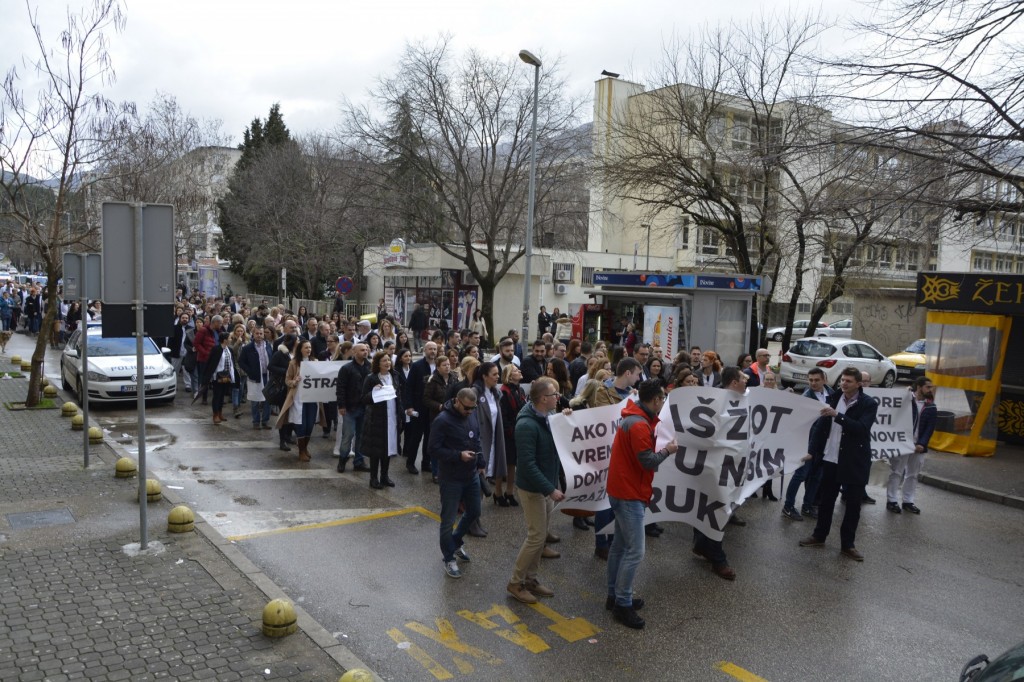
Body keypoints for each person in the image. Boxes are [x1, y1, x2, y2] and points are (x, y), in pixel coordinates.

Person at [605, 379, 677, 629]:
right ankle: (622, 604)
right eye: (663, 398)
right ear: (655, 400)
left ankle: (614, 596)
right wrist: (668, 450)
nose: (664, 402)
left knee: (620, 546)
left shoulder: (634, 419)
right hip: (629, 493)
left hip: (622, 490)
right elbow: (647, 461)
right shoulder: (638, 425)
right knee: (635, 551)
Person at [799, 367, 879, 561]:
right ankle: (819, 535)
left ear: (859, 384)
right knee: (826, 501)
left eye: (849, 381)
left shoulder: (868, 403)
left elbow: (861, 428)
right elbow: (821, 426)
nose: (844, 384)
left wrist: (838, 416)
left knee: (852, 506)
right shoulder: (834, 397)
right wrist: (812, 450)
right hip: (830, 458)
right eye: (842, 380)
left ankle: (848, 545)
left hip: (854, 462)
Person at [507, 377, 566, 604]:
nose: (558, 398)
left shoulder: (546, 415)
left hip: (546, 486)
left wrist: (566, 420)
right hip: (534, 489)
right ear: (543, 399)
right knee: (536, 537)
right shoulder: (526, 426)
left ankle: (531, 579)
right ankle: (515, 582)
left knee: (540, 537)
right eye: (554, 395)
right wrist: (550, 489)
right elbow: (528, 465)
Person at [692, 366, 747, 581]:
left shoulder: (745, 400)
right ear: (734, 382)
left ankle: (702, 545)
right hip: (712, 466)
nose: (746, 381)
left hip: (731, 466)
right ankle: (718, 558)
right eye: (743, 378)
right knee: (716, 508)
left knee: (710, 507)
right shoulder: (713, 400)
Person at [431, 388, 484, 579]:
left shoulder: (471, 415)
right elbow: (433, 449)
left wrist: (481, 462)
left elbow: (476, 438)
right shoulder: (442, 420)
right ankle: (448, 557)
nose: (470, 412)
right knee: (448, 520)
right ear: (457, 401)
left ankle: (455, 541)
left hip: (471, 474)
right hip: (451, 477)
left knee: (475, 511)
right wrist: (457, 455)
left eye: (473, 408)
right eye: (467, 408)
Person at [782, 367, 832, 521]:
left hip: (826, 443)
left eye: (817, 380)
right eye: (810, 380)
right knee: (801, 475)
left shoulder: (833, 394)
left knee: (817, 476)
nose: (813, 383)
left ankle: (807, 506)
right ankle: (788, 506)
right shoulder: (805, 397)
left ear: (824, 379)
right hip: (807, 443)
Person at [886, 377, 937, 515]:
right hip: (903, 443)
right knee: (896, 472)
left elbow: (929, 428)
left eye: (931, 387)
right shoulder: (906, 399)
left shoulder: (931, 406)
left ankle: (908, 501)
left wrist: (922, 443)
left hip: (918, 446)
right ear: (919, 387)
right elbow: (891, 413)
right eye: (928, 387)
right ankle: (891, 500)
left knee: (913, 474)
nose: (930, 390)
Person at [360, 350, 404, 489]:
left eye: (389, 360)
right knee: (376, 450)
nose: (387, 363)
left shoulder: (395, 376)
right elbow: (363, 399)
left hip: (392, 418)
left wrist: (402, 414)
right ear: (378, 364)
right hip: (377, 419)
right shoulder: (371, 378)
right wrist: (373, 392)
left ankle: (385, 476)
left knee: (389, 448)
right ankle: (373, 478)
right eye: (384, 361)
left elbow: (399, 396)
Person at [472, 362, 506, 537]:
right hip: (480, 444)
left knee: (482, 481)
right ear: (484, 376)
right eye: (494, 374)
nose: (497, 377)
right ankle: (473, 521)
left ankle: (474, 519)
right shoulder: (475, 393)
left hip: (492, 442)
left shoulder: (495, 393)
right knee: (477, 484)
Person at [274, 338, 316, 462]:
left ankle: (305, 447)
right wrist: (295, 381)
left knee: (310, 424)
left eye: (309, 347)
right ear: (300, 350)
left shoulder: (315, 361)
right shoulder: (293, 363)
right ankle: (301, 451)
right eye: (306, 347)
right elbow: (287, 381)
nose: (308, 350)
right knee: (301, 425)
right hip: (298, 398)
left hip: (312, 398)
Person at [334, 343, 372, 473]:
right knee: (348, 435)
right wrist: (341, 405)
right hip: (350, 408)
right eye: (362, 350)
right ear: (354, 352)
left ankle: (359, 461)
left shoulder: (370, 367)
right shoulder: (346, 368)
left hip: (365, 408)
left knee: (361, 436)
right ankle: (342, 459)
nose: (365, 352)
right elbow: (340, 388)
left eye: (366, 350)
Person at [404, 342, 438, 475]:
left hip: (433, 408)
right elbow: (409, 387)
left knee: (430, 437)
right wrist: (409, 406)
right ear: (425, 350)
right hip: (418, 407)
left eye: (435, 349)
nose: (433, 351)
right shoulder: (417, 366)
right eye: (430, 349)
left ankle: (426, 462)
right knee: (416, 437)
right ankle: (410, 463)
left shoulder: (438, 366)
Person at [497, 363, 527, 507]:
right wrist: (511, 432)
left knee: (512, 464)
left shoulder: (519, 389)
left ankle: (509, 492)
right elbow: (504, 416)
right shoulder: (504, 393)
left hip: (516, 431)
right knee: (503, 463)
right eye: (516, 370)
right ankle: (498, 492)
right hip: (508, 433)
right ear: (509, 376)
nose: (519, 371)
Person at [238, 326, 274, 430]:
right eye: (257, 333)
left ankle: (265, 421)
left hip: (267, 375)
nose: (259, 335)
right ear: (253, 334)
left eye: (261, 333)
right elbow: (241, 361)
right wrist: (249, 371)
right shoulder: (248, 348)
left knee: (267, 399)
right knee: (255, 400)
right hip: (254, 377)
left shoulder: (268, 346)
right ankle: (256, 421)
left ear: (264, 334)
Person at [203, 332, 237, 425]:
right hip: (217, 376)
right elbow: (211, 362)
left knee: (222, 396)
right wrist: (208, 376)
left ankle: (220, 413)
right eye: (230, 338)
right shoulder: (216, 349)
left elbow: (231, 363)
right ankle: (215, 414)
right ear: (225, 339)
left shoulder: (229, 349)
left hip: (226, 376)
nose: (231, 339)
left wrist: (233, 376)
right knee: (217, 396)